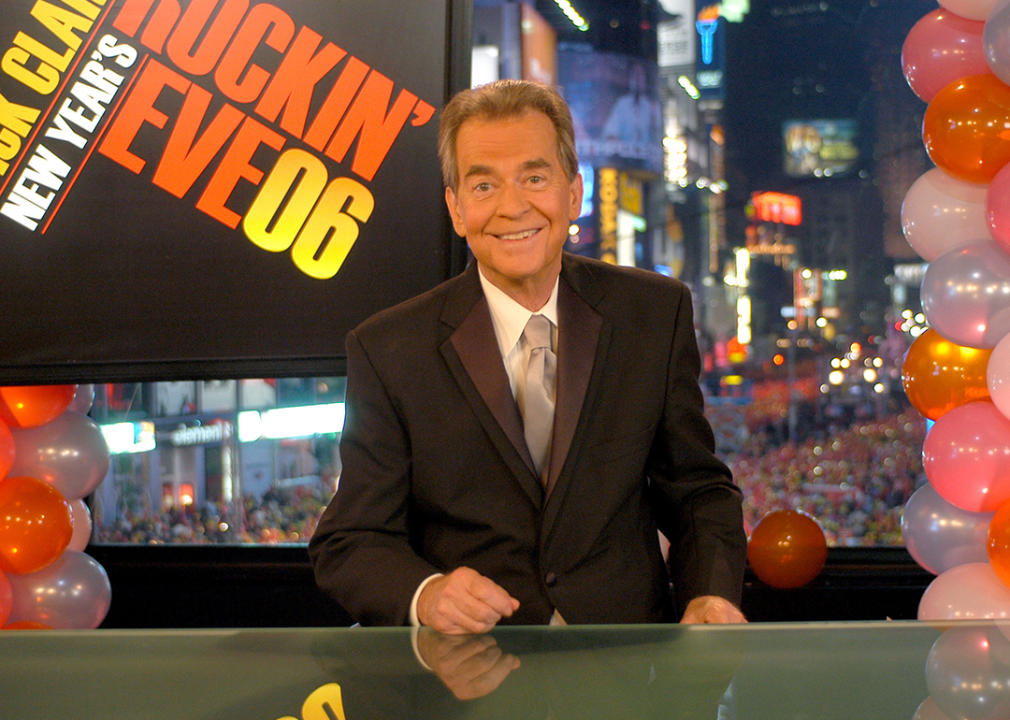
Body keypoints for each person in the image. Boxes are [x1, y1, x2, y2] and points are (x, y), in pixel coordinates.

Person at [309, 79, 747, 634]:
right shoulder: (387, 349)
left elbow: (697, 493)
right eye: (484, 185)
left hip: (626, 670)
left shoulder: (655, 315)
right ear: (457, 209)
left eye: (534, 178)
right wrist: (425, 595)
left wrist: (708, 593)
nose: (512, 207)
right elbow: (349, 541)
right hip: (470, 679)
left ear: (573, 194)